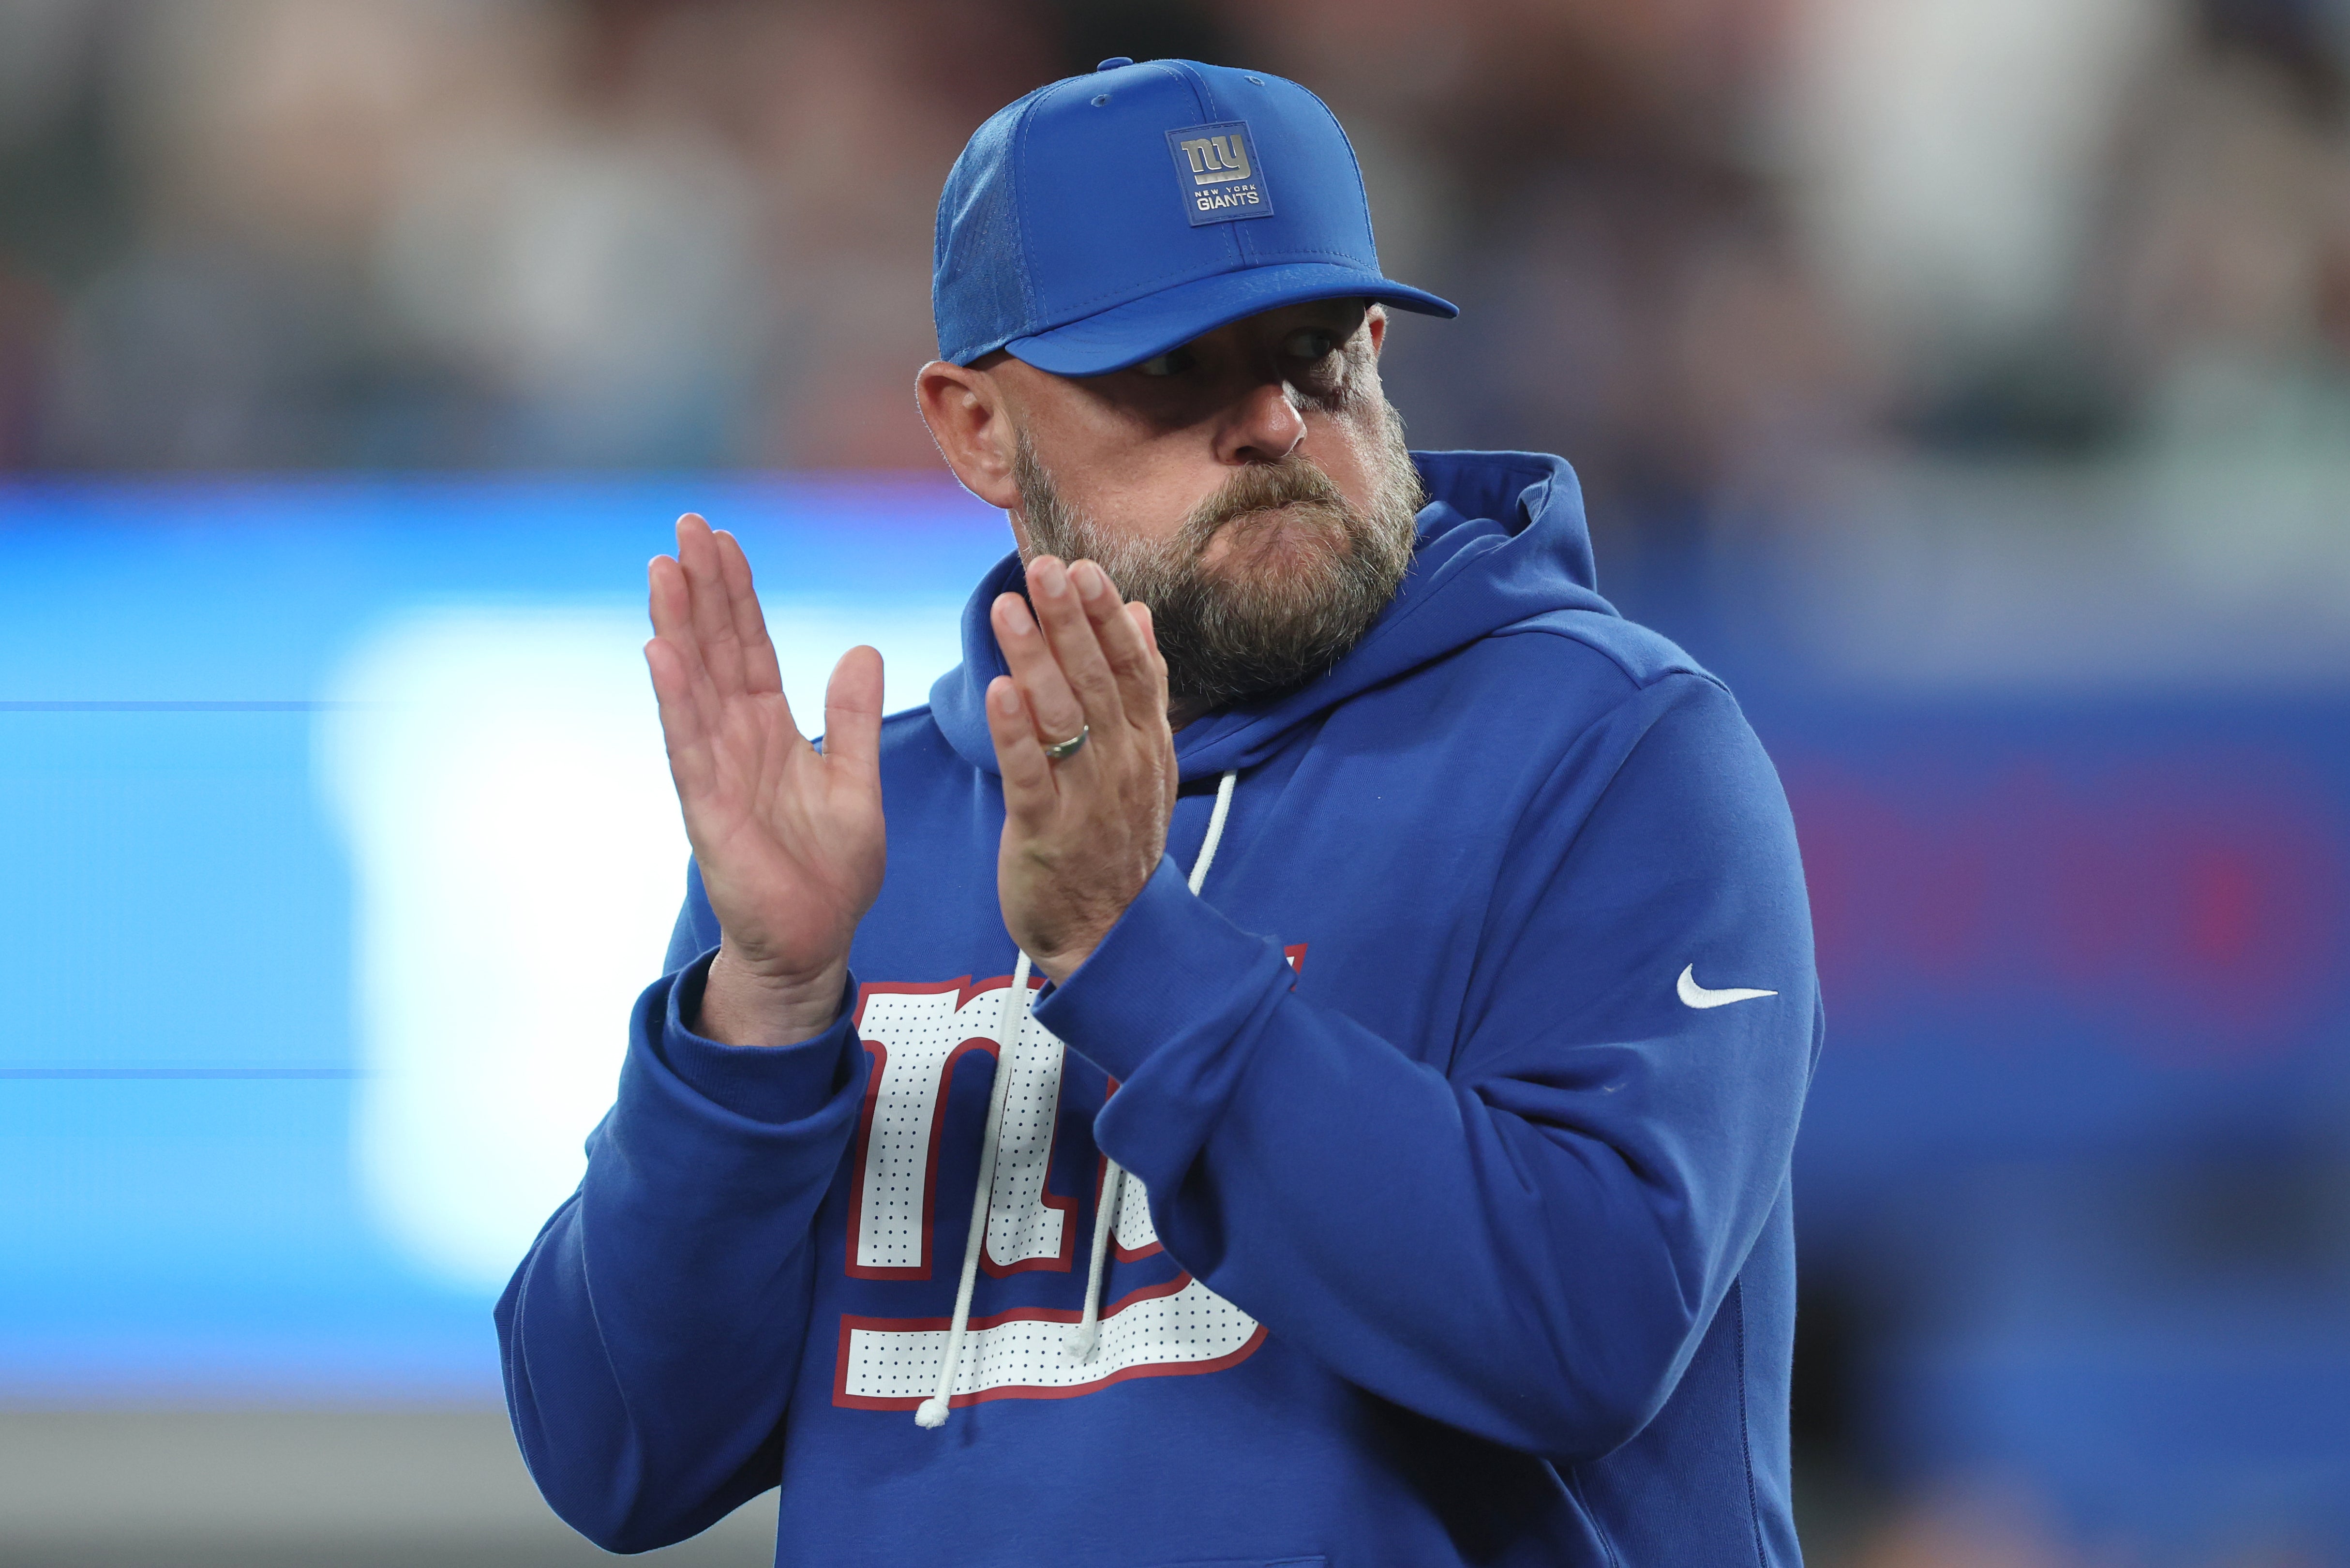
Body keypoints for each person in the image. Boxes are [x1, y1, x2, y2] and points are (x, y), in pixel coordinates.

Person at [498, 57, 1818, 1568]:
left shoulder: (1609, 751)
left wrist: (1134, 955)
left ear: (1381, 350)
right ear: (976, 428)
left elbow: (1586, 1323)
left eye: (1314, 355)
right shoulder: (879, 833)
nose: (1267, 419)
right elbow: (614, 1454)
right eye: (1172, 367)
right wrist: (760, 1011)